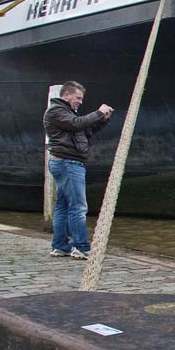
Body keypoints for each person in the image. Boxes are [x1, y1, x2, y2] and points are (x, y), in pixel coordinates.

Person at [43, 81, 113, 260]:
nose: (80, 102)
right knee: (78, 207)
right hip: (69, 163)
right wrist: (98, 112)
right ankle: (81, 247)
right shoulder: (56, 111)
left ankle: (60, 246)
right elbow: (76, 124)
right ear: (66, 95)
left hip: (65, 162)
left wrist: (102, 120)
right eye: (78, 98)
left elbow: (84, 132)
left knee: (64, 206)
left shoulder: (66, 112)